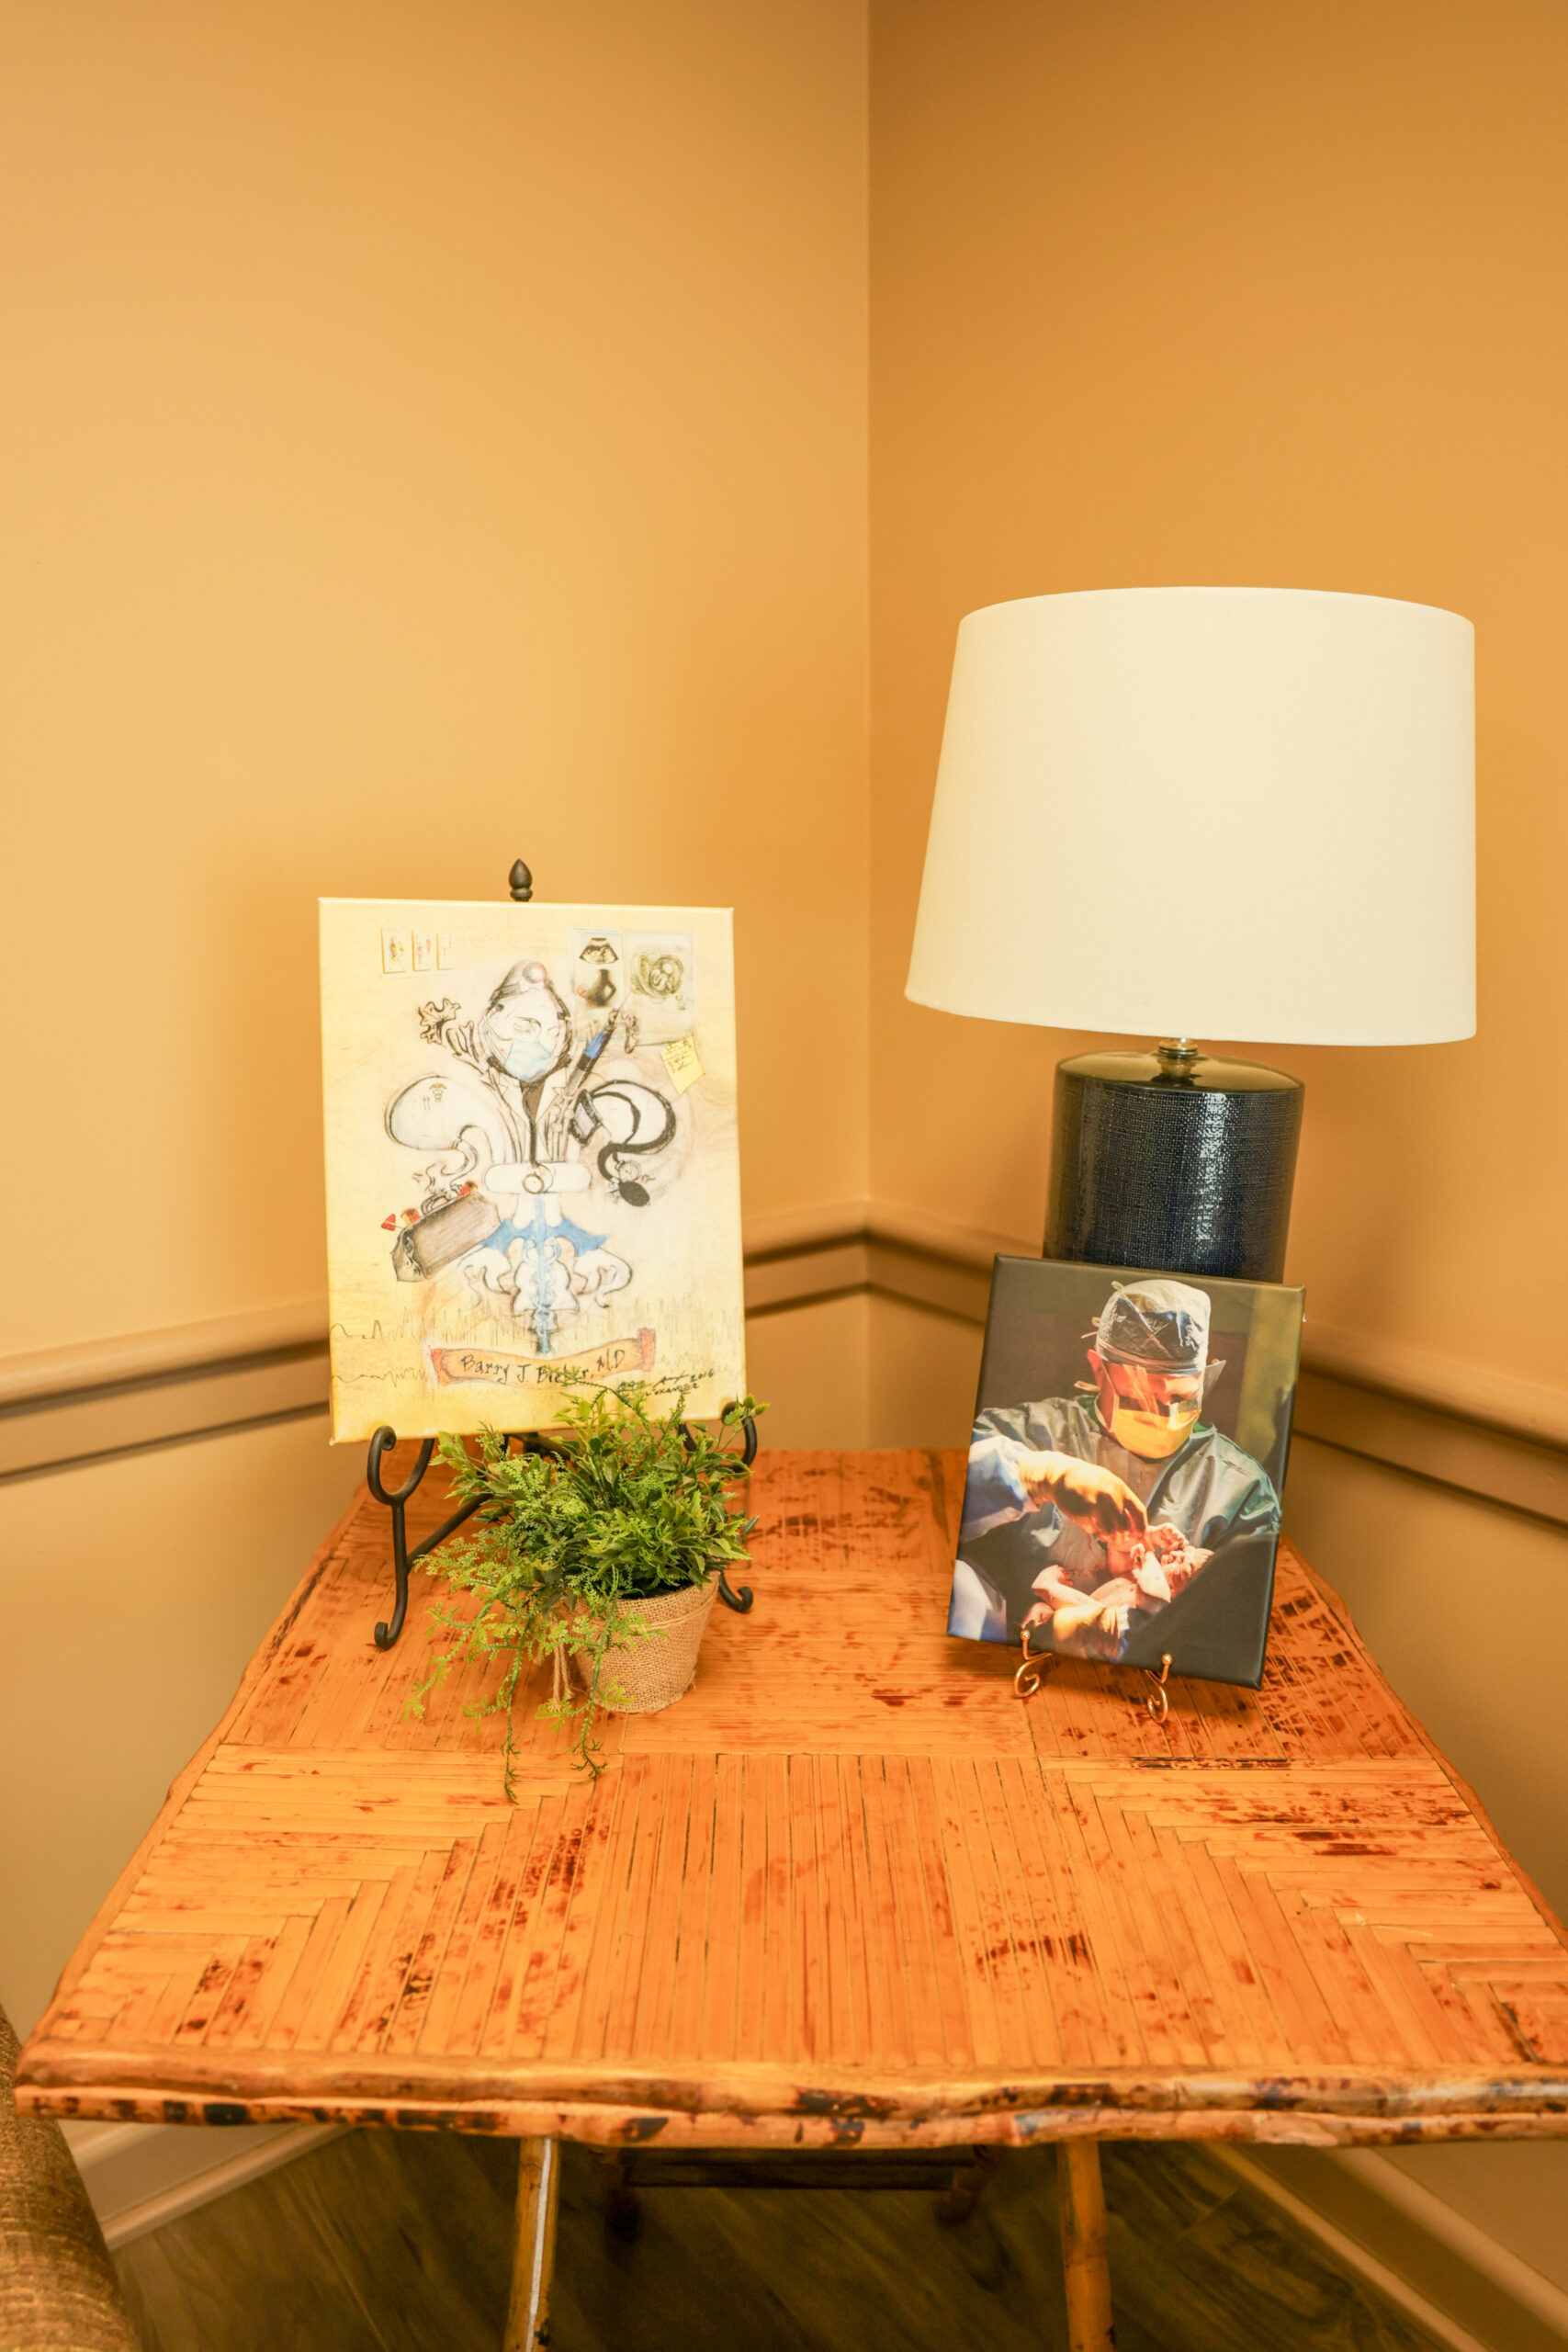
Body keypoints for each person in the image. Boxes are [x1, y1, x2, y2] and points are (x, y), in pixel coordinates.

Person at [951, 1278, 1280, 1657]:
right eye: (1136, 1400)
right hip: (1008, 1653)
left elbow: (1238, 1627)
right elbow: (942, 1498)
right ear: (1098, 1369)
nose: (1164, 1417)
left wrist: (1113, 1631)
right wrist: (1038, 1475)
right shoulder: (1030, 1435)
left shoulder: (1241, 1490)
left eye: (1181, 1399)